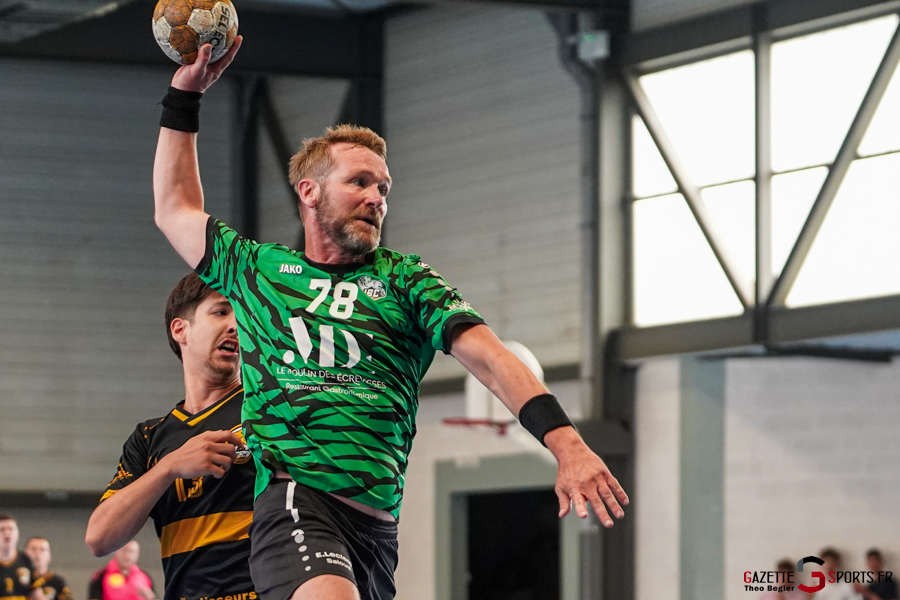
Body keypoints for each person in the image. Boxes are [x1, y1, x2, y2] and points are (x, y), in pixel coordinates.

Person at [152, 38, 629, 600]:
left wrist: (567, 443)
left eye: (384, 188)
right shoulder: (257, 270)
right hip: (294, 500)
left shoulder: (407, 280)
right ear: (309, 191)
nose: (376, 197)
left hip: (377, 528)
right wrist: (183, 100)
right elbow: (175, 208)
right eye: (358, 182)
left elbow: (494, 361)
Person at [84, 274, 256, 600]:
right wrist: (169, 467)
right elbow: (99, 538)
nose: (236, 325)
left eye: (242, 315)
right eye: (221, 312)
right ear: (181, 330)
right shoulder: (149, 438)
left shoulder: (269, 413)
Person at [88, 542, 156, 600]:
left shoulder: (145, 577)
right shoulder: (101, 575)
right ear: (115, 552)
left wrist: (151, 598)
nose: (127, 555)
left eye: (131, 551)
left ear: (137, 554)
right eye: (124, 550)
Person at [0, 514, 45, 600]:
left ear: (17, 534)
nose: (7, 533)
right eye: (2, 529)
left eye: (11, 529)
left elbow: (37, 595)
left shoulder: (26, 560)